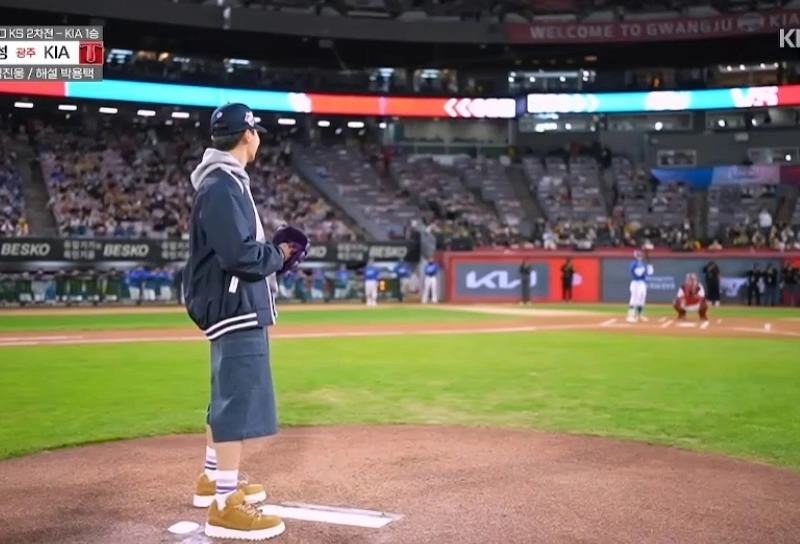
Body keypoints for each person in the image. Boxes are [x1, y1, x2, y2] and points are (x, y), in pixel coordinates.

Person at [183, 103, 295, 541]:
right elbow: (239, 255)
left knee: (225, 395)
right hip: (235, 306)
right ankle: (225, 504)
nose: (259, 138)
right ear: (248, 135)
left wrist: (271, 256)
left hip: (231, 304)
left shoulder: (223, 182)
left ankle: (213, 478)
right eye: (257, 131)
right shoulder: (222, 185)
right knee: (235, 401)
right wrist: (279, 255)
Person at [627, 250, 651, 322]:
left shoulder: (641, 264)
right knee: (634, 299)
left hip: (642, 283)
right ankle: (630, 316)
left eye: (641, 255)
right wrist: (646, 273)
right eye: (639, 256)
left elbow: (644, 274)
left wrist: (648, 271)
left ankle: (640, 315)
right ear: (635, 256)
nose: (640, 257)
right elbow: (638, 274)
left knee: (642, 298)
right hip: (636, 283)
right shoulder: (633, 264)